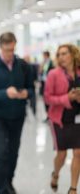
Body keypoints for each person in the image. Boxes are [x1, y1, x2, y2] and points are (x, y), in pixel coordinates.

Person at [0, 32, 34, 194]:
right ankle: (1, 189)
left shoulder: (24, 66)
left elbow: (31, 89)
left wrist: (26, 93)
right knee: (1, 151)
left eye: (12, 50)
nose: (9, 54)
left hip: (17, 116)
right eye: (6, 50)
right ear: (0, 47)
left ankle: (8, 181)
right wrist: (5, 93)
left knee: (13, 151)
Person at [44, 44, 80, 194]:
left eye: (64, 53)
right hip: (60, 119)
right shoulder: (54, 74)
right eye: (59, 54)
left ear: (73, 54)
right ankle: (56, 174)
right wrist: (67, 97)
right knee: (62, 154)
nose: (61, 57)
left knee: (78, 153)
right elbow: (47, 98)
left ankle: (73, 188)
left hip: (77, 118)